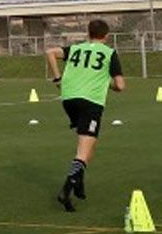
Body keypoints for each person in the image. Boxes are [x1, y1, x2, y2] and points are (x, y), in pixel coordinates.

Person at [47, 19, 125, 212]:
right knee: (83, 151)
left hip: (68, 99)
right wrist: (106, 82)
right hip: (90, 102)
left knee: (88, 144)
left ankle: (79, 181)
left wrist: (58, 78)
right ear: (106, 36)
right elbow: (121, 86)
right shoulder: (109, 52)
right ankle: (67, 189)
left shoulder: (76, 48)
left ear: (88, 33)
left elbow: (50, 52)